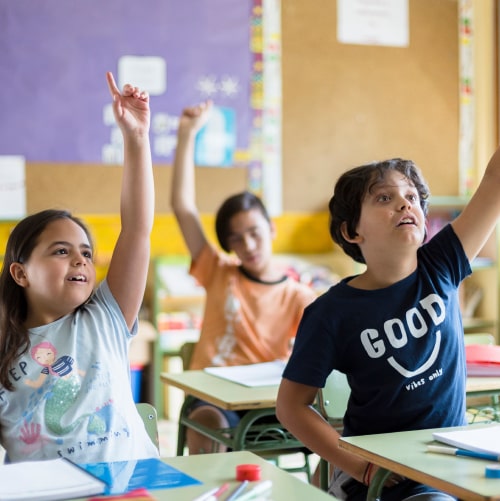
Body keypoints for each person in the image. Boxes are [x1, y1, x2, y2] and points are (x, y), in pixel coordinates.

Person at [276, 153, 500, 500]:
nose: (403, 205)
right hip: (386, 474)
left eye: (411, 198)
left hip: (451, 461)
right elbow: (291, 406)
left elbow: (494, 180)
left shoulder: (442, 264)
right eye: (384, 198)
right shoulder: (330, 313)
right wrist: (357, 465)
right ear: (352, 231)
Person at [0, 72, 157, 464]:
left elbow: (137, 229)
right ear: (20, 274)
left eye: (86, 253)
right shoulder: (4, 348)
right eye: (60, 251)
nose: (80, 261)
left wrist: (136, 139)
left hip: (134, 486)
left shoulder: (106, 315)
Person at [170, 100, 317, 456]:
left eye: (254, 232)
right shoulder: (219, 271)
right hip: (213, 399)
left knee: (324, 424)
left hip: (268, 403)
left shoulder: (299, 295)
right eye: (236, 238)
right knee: (208, 421)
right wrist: (188, 133)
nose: (248, 244)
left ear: (272, 228)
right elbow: (182, 207)